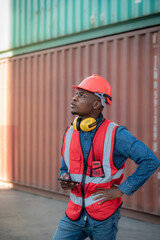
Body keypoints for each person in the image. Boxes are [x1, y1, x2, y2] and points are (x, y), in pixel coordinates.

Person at [53, 74, 160, 240]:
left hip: (103, 218)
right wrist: (64, 177)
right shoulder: (70, 132)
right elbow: (65, 167)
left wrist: (123, 190)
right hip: (73, 215)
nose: (74, 98)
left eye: (81, 95)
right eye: (76, 94)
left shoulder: (116, 135)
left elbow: (150, 161)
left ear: (96, 104)